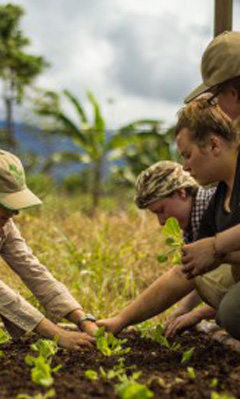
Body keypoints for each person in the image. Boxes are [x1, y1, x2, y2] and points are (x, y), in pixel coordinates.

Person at [98, 96, 240, 340]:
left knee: (231, 311)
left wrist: (218, 247)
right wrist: (119, 321)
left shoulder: (210, 198)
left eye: (187, 155)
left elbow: (211, 254)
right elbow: (184, 273)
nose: (184, 167)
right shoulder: (219, 197)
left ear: (214, 145)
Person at [0, 148, 98, 349]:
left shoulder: (0, 223)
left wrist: (83, 319)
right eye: (7, 203)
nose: (15, 211)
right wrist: (57, 334)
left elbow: (33, 270)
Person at [134, 160, 215, 337]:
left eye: (161, 210)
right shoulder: (192, 221)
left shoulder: (213, 209)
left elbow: (228, 281)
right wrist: (183, 310)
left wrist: (200, 314)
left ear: (182, 193)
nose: (161, 222)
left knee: (230, 315)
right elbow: (205, 277)